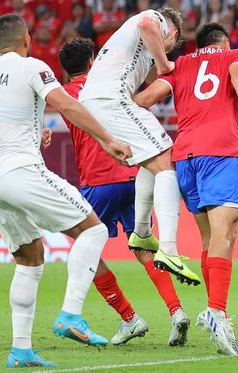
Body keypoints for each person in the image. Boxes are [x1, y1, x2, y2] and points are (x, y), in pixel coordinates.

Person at [0, 14, 132, 367]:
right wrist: (108, 139)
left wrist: (23, 129)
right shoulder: (31, 67)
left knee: (29, 260)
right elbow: (68, 105)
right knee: (93, 229)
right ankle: (71, 314)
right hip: (21, 170)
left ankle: (21, 350)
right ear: (26, 37)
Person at [133, 23, 238, 355]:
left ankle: (218, 312)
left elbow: (143, 100)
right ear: (223, 42)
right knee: (225, 234)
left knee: (209, 239)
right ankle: (216, 313)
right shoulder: (234, 55)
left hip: (185, 157)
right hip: (220, 153)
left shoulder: (178, 65)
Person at [58, 39, 189, 347]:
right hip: (133, 172)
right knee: (144, 248)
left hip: (98, 180)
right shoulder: (112, 83)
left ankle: (129, 318)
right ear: (93, 61)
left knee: (84, 249)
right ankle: (176, 312)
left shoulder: (63, 95)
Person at [79, 7, 201, 286]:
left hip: (98, 102)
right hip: (111, 99)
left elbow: (143, 96)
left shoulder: (132, 49)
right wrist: (164, 64)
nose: (169, 49)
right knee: (166, 161)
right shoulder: (153, 20)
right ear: (171, 32)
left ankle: (143, 232)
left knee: (152, 158)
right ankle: (168, 249)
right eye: (172, 44)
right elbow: (148, 23)